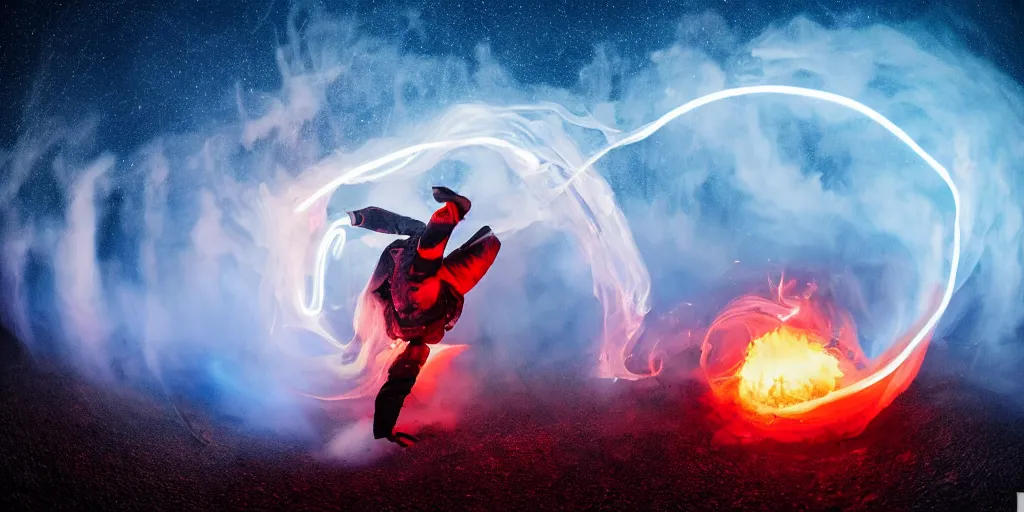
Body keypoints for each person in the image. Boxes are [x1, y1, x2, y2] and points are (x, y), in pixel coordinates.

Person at [347, 186, 501, 447]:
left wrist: (385, 431)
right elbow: (398, 384)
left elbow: (398, 384)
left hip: (421, 300)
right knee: (478, 246)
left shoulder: (410, 336)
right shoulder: (415, 343)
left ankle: (455, 210)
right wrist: (385, 431)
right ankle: (456, 211)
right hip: (433, 297)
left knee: (425, 243)